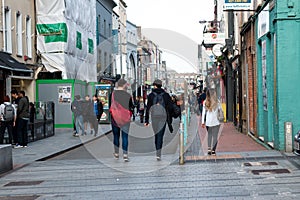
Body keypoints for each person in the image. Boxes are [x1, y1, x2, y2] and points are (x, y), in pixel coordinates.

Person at [145, 79, 173, 161]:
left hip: (154, 117)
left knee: (156, 135)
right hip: (163, 117)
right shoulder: (166, 95)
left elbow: (148, 108)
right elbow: (170, 107)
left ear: (155, 85)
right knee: (160, 135)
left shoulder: (151, 95)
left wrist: (146, 120)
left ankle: (157, 151)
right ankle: (159, 154)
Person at [110, 79, 134, 162]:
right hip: (125, 119)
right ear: (124, 85)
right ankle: (125, 154)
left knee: (116, 136)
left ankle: (116, 153)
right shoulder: (128, 95)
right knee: (125, 136)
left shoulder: (112, 94)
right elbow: (132, 106)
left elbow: (111, 106)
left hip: (115, 118)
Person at [201, 89, 221, 156]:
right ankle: (213, 151)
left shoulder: (205, 102)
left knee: (209, 135)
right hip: (216, 122)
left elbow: (203, 113)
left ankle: (209, 149)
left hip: (208, 122)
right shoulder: (217, 102)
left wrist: (202, 122)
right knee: (215, 136)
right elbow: (220, 111)